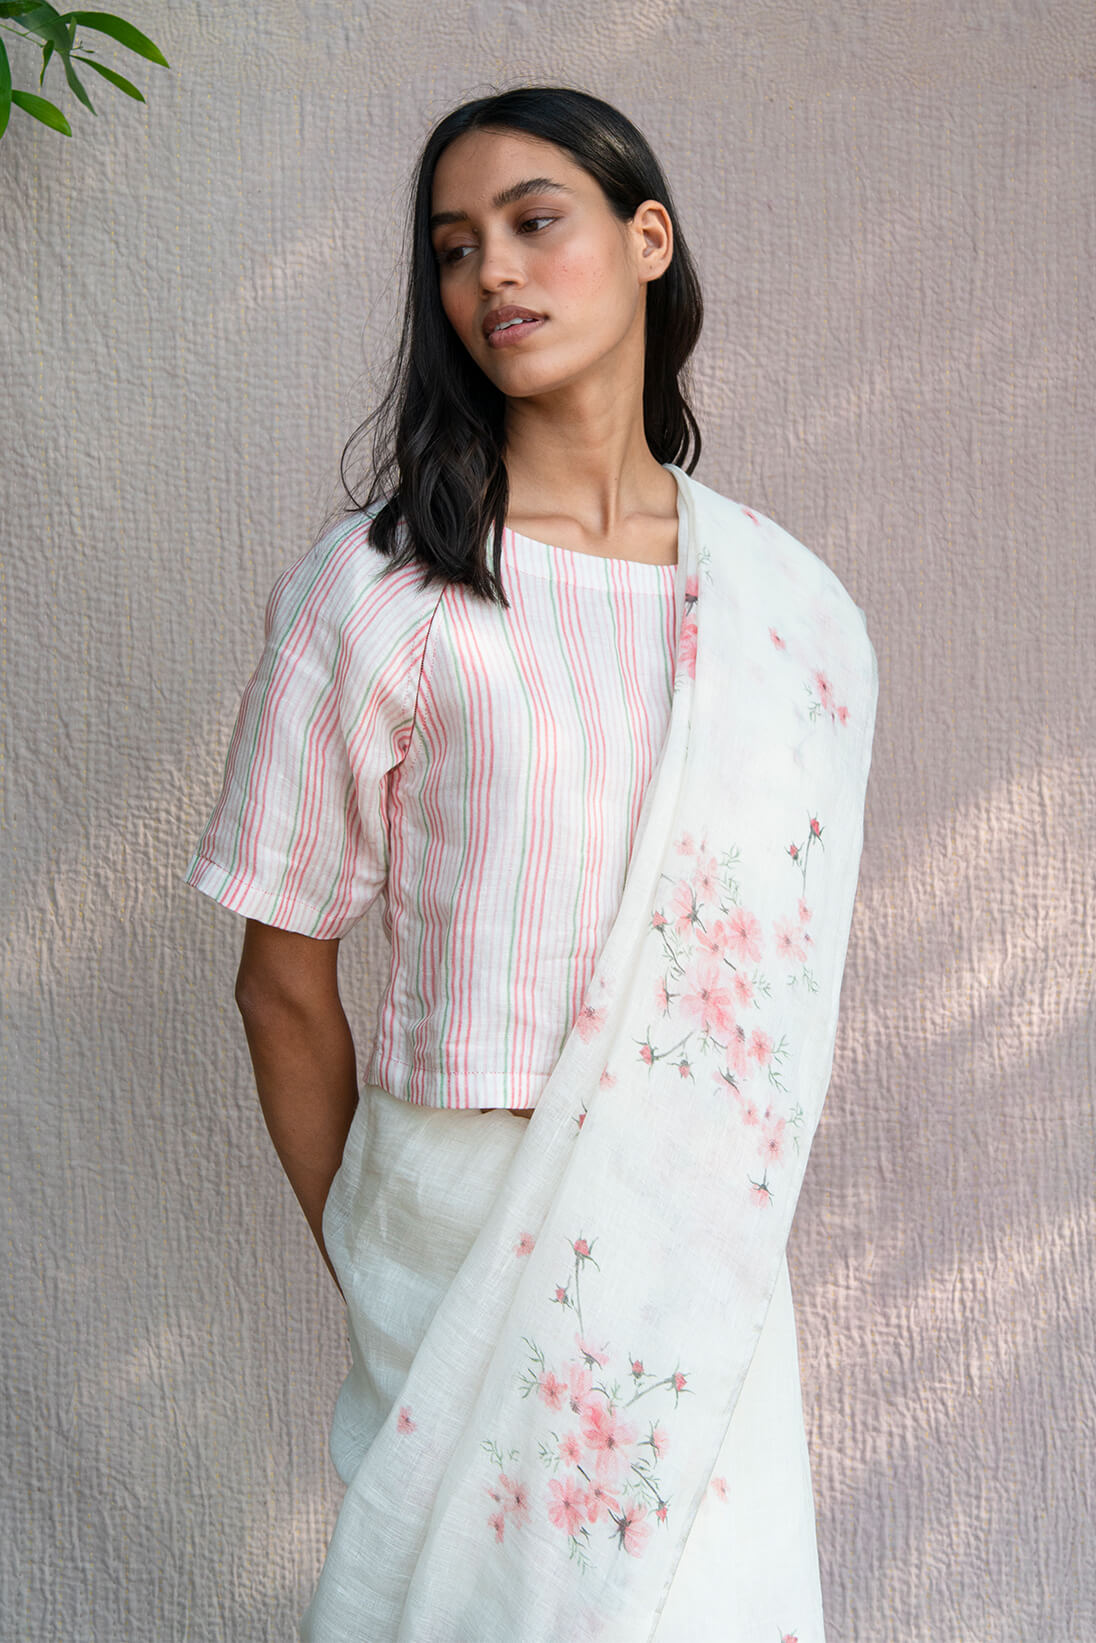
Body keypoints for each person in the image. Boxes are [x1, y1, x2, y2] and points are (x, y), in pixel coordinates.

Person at [185, 85, 877, 1643]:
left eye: (532, 221)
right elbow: (281, 983)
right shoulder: (385, 593)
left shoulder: (786, 611)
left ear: (648, 240)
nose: (490, 269)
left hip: (696, 1223)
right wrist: (376, 1249)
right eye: (453, 246)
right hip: (457, 1210)